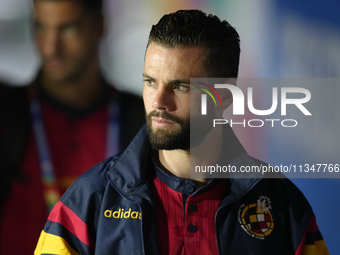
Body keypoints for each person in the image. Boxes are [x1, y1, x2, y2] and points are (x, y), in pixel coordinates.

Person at [34, 10, 329, 255]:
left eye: (180, 86)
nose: (158, 102)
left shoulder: (283, 205)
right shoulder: (88, 204)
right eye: (150, 81)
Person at [0, 0, 144, 254]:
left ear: (99, 27)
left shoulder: (145, 119)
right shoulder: (7, 113)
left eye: (68, 29)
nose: (51, 47)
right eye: (40, 27)